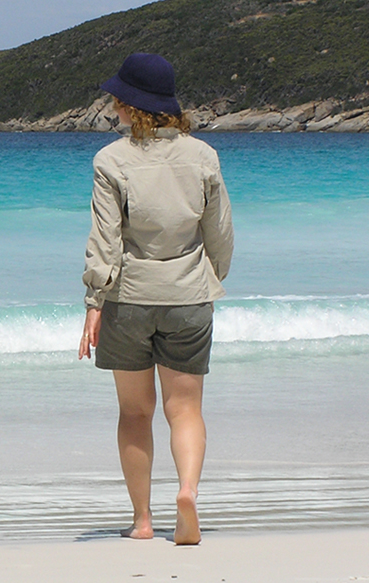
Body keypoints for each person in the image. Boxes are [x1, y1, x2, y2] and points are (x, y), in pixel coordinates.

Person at [78, 53, 234, 545]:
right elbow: (221, 233)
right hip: (188, 296)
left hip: (129, 300)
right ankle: (187, 491)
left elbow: (105, 240)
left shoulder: (111, 160)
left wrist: (93, 301)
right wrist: (207, 283)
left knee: (135, 413)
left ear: (130, 104)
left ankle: (143, 521)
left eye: (117, 98)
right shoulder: (203, 156)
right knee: (184, 409)